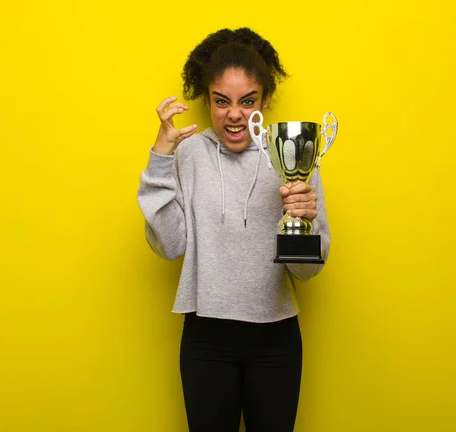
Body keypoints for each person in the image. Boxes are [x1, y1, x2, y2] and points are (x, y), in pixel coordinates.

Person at [137, 27, 331, 432]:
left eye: (248, 101)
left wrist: (304, 223)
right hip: (205, 339)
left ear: (264, 101)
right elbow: (170, 246)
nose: (235, 114)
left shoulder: (294, 153)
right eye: (221, 101)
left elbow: (308, 272)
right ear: (207, 100)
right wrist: (159, 158)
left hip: (276, 340)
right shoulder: (188, 153)